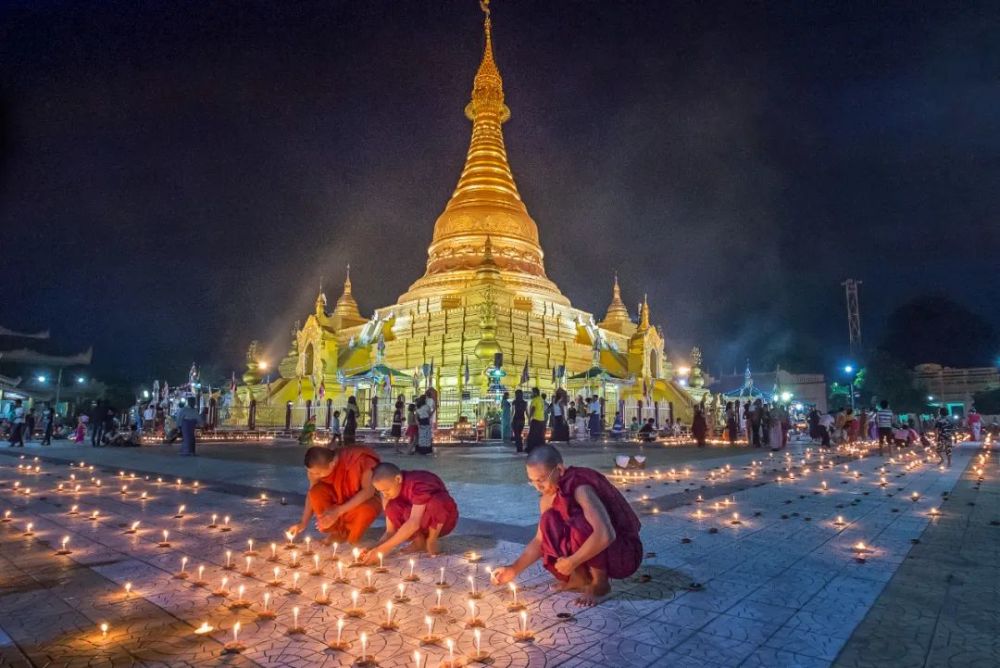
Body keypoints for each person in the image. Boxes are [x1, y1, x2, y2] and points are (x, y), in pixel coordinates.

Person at [491, 445, 642, 607]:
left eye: (541, 480)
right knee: (549, 519)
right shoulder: (547, 499)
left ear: (560, 470)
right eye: (532, 481)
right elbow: (540, 540)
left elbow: (606, 534)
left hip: (620, 552)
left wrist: (572, 561)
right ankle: (579, 577)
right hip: (594, 552)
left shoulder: (580, 488)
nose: (538, 487)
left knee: (578, 521)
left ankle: (600, 583)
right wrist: (513, 570)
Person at [362, 462, 458, 560]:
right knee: (392, 507)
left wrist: (381, 550)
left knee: (437, 501)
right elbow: (390, 531)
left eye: (386, 490)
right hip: (418, 521)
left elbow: (414, 523)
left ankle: (432, 539)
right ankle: (418, 540)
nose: (385, 495)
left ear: (398, 479)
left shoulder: (418, 483)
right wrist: (375, 547)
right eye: (381, 492)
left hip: (442, 520)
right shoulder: (390, 491)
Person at [289, 445, 381, 545]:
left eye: (318, 473)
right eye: (310, 472)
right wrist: (303, 523)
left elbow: (368, 491)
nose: (313, 475)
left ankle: (352, 539)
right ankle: (337, 533)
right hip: (336, 500)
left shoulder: (360, 459)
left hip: (359, 502)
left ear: (332, 464)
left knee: (366, 510)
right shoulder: (315, 470)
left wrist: (338, 511)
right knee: (316, 492)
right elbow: (311, 493)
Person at [525, 387, 546, 453]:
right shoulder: (541, 399)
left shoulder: (535, 400)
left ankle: (530, 449)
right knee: (540, 436)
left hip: (536, 420)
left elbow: (533, 409)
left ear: (535, 393)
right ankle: (541, 448)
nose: (531, 394)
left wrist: (529, 418)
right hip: (542, 420)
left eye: (532, 392)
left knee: (532, 435)